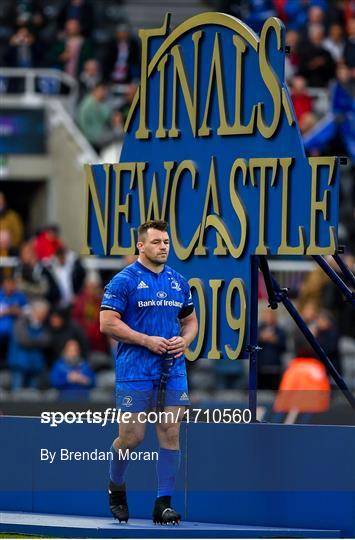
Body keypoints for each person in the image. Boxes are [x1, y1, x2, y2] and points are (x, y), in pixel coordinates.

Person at [100, 220, 198, 525]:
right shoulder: (124, 281)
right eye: (156, 242)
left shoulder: (179, 281)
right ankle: (116, 485)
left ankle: (163, 504)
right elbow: (107, 323)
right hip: (135, 369)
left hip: (172, 368)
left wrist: (185, 340)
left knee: (170, 431)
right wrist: (146, 340)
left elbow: (191, 320)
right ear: (141, 246)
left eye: (166, 242)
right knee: (132, 437)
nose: (163, 247)